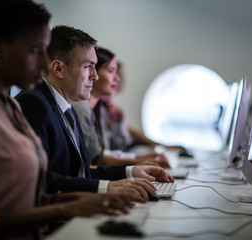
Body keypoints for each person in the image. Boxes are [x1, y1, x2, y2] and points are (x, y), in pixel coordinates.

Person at [0, 1, 134, 239]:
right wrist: (65, 208)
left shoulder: (10, 106)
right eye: (36, 50)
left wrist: (88, 198)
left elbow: (26, 195)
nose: (46, 64)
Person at [16, 25, 174, 202]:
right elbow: (41, 179)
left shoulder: (67, 106)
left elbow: (81, 173)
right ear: (58, 69)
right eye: (88, 67)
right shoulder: (34, 104)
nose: (95, 76)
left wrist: (130, 171)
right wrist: (107, 187)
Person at [72, 48, 170, 168]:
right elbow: (92, 162)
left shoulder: (96, 108)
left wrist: (139, 159)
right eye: (111, 71)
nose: (117, 79)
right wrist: (136, 164)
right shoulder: (82, 108)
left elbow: (102, 154)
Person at [100, 61, 193, 156]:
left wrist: (161, 146)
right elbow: (130, 132)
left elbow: (129, 130)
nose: (119, 79)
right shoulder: (103, 107)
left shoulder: (111, 106)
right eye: (117, 75)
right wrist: (160, 146)